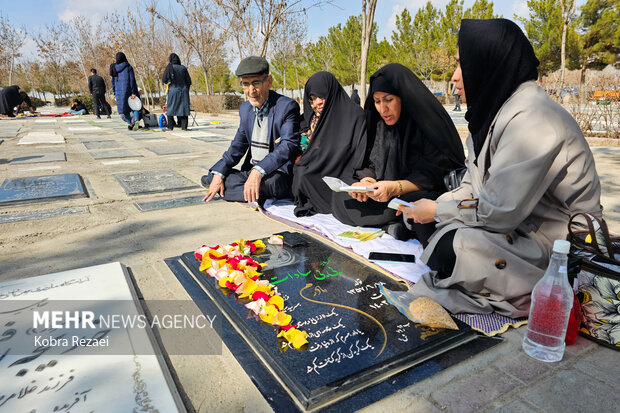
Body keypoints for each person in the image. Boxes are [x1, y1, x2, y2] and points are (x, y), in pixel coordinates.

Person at [403, 19, 603, 317]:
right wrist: (429, 206)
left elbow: (498, 213)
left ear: (488, 63)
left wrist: (437, 211)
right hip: (517, 229)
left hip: (558, 247)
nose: (455, 78)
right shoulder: (492, 115)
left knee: (451, 244)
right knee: (428, 223)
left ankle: (541, 292)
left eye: (462, 65)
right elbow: (473, 188)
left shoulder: (533, 117)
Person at [331, 63, 465, 241]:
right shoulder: (381, 125)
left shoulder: (426, 123)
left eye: (388, 100)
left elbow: (437, 172)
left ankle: (398, 224)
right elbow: (372, 162)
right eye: (377, 102)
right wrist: (366, 183)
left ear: (403, 98)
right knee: (339, 199)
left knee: (415, 203)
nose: (382, 109)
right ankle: (394, 225)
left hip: (419, 191)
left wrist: (396, 187)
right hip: (384, 194)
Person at [202, 56, 301, 205]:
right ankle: (253, 194)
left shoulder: (287, 107)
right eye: (245, 84)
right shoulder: (245, 109)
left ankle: (249, 193)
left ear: (269, 81)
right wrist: (219, 172)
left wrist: (259, 170)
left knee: (271, 184)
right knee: (214, 175)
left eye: (256, 83)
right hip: (251, 171)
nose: (251, 91)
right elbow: (237, 146)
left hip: (275, 174)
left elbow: (288, 145)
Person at [292, 72, 367, 216]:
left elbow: (356, 152)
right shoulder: (313, 119)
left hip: (344, 169)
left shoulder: (354, 115)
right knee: (300, 172)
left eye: (321, 96)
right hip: (319, 166)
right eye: (312, 99)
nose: (317, 103)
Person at [110, 52, 140, 130]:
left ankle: (129, 124)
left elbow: (112, 81)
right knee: (135, 106)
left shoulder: (113, 68)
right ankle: (136, 120)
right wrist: (133, 92)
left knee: (124, 109)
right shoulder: (128, 67)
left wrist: (114, 92)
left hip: (119, 92)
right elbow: (132, 80)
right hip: (129, 90)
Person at [162, 53, 192, 131]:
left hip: (173, 90)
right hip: (184, 90)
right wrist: (186, 89)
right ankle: (184, 127)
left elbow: (164, 80)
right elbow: (189, 81)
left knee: (171, 107)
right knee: (183, 108)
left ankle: (170, 126)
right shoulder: (183, 68)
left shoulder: (169, 67)